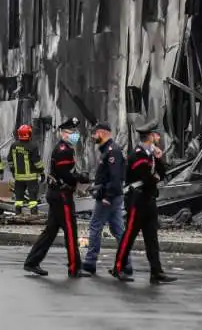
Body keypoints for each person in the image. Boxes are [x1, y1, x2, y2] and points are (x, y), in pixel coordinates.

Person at [23, 117, 91, 278]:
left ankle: (31, 262)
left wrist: (78, 177)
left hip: (57, 194)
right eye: (71, 132)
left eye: (75, 132)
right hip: (62, 196)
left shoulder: (64, 148)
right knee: (70, 230)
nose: (74, 134)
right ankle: (75, 267)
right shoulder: (63, 150)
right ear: (62, 133)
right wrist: (80, 178)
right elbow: (65, 174)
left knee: (50, 231)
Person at [112, 120, 175, 284]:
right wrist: (155, 177)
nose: (159, 137)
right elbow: (148, 178)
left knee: (152, 238)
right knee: (129, 236)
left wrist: (159, 159)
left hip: (148, 201)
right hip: (136, 202)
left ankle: (156, 272)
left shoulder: (150, 154)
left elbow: (161, 174)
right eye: (156, 134)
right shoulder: (138, 154)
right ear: (151, 136)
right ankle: (118, 268)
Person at [83, 122, 133, 276]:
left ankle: (90, 262)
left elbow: (116, 177)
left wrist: (107, 197)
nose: (93, 137)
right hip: (111, 195)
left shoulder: (112, 152)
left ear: (103, 133)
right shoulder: (108, 150)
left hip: (108, 197)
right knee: (118, 230)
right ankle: (127, 264)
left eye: (95, 133)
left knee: (95, 227)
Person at [7, 124, 44, 215]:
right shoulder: (33, 146)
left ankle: (18, 213)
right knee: (32, 198)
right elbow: (37, 162)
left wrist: (13, 172)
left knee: (18, 198)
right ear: (29, 134)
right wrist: (42, 171)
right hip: (31, 178)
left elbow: (10, 160)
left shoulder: (14, 145)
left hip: (18, 177)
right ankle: (33, 214)